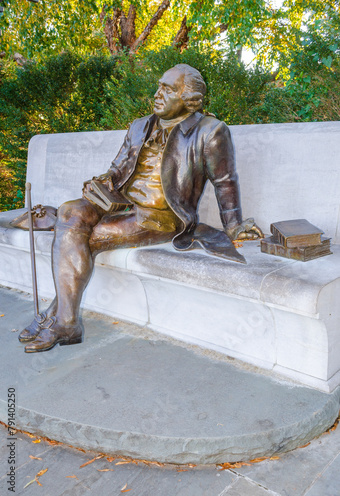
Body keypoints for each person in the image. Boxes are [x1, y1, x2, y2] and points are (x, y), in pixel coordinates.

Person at [19, 63, 262, 353]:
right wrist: (101, 184)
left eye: (168, 89)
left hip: (161, 216)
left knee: (82, 237)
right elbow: (118, 168)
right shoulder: (139, 125)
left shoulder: (210, 131)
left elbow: (224, 181)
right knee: (70, 211)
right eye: (159, 86)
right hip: (120, 203)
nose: (157, 94)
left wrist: (233, 225)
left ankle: (60, 319)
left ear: (190, 100)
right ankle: (64, 320)